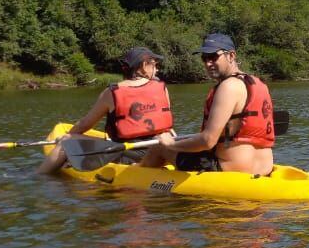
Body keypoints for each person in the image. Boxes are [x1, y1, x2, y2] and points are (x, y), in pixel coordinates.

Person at [139, 32, 276, 175]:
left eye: (213, 57)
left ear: (231, 56)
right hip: (264, 169)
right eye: (204, 58)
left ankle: (134, 179)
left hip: (230, 169)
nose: (208, 63)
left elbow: (207, 141)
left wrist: (170, 143)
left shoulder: (228, 87)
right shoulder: (260, 84)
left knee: (159, 148)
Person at [37, 47, 174, 174]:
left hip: (126, 154)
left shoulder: (112, 92)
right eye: (154, 65)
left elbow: (84, 125)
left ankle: (40, 177)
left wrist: (68, 138)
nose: (157, 70)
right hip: (160, 152)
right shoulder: (162, 88)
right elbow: (167, 126)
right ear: (144, 66)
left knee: (66, 140)